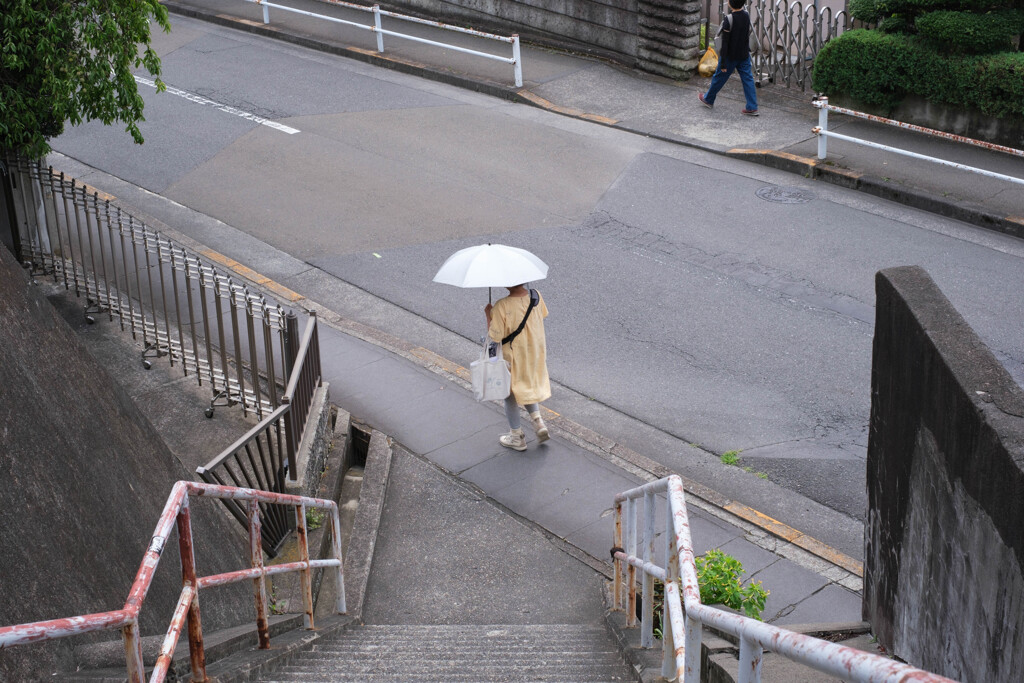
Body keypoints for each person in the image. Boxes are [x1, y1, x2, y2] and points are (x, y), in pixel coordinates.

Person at [485, 284, 551, 451]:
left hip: (513, 357)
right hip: (533, 353)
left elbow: (495, 336)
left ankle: (516, 437)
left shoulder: (502, 306)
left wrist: (489, 315)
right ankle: (538, 421)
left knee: (510, 395)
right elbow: (542, 315)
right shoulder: (536, 295)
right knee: (526, 386)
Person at [698, 0, 759, 116]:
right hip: (743, 55)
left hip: (730, 56)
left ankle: (708, 99)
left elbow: (725, 43)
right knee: (748, 79)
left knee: (719, 77)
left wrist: (723, 63)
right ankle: (752, 106)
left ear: (730, 4)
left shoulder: (729, 19)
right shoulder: (746, 15)